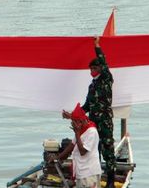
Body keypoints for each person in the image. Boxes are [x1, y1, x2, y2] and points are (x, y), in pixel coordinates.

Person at [62, 36, 115, 188]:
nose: (92, 71)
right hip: (92, 123)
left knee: (108, 150)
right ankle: (95, 176)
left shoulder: (106, 79)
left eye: (95, 68)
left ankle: (110, 181)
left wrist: (97, 45)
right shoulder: (92, 86)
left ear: (101, 69)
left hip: (104, 121)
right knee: (94, 150)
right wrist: (71, 115)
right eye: (90, 69)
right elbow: (86, 106)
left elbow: (103, 62)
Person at [53, 103, 101, 188]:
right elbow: (72, 145)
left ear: (81, 121)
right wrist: (58, 157)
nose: (73, 125)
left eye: (74, 122)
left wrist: (77, 133)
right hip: (81, 171)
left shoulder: (91, 132)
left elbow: (83, 151)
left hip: (89, 172)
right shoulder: (82, 128)